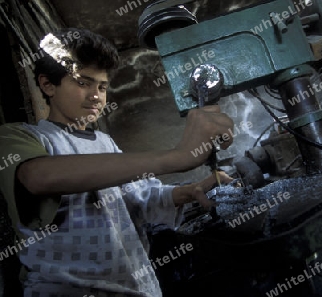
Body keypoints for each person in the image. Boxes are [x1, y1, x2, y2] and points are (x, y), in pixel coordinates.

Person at [0, 28, 234, 297]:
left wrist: (188, 191)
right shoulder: (22, 137)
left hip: (137, 288)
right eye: (83, 83)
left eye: (102, 86)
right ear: (47, 84)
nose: (96, 96)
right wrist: (177, 156)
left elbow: (141, 200)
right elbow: (38, 177)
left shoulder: (105, 143)